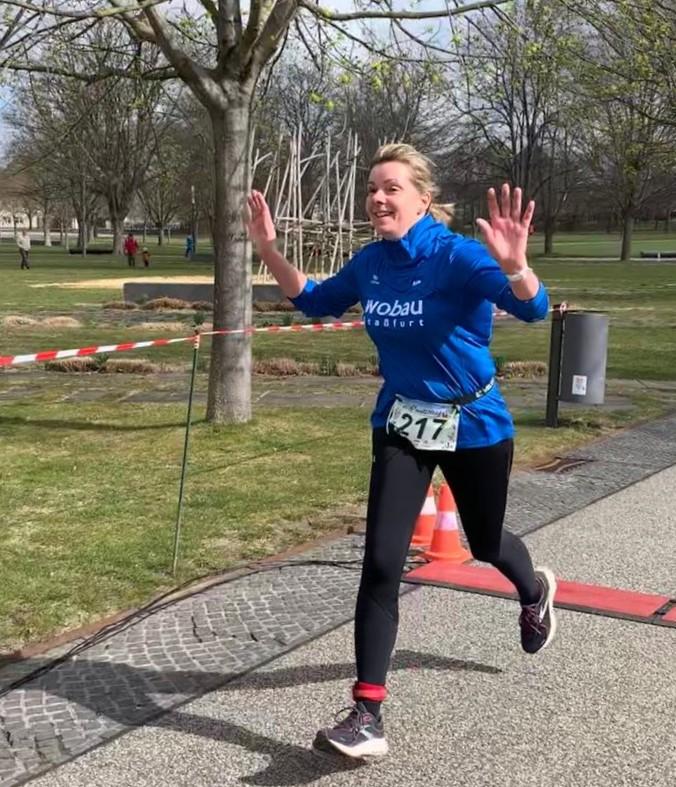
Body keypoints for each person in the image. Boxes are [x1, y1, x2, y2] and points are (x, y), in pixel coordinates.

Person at [244, 143, 557, 760]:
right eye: (372, 188)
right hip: (403, 423)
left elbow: (534, 308)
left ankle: (533, 590)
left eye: (391, 188)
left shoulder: (457, 255)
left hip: (473, 422)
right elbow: (314, 299)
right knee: (382, 562)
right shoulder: (371, 263)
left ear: (422, 199)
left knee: (485, 543)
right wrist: (270, 251)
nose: (377, 198)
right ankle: (367, 715)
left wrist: (517, 266)